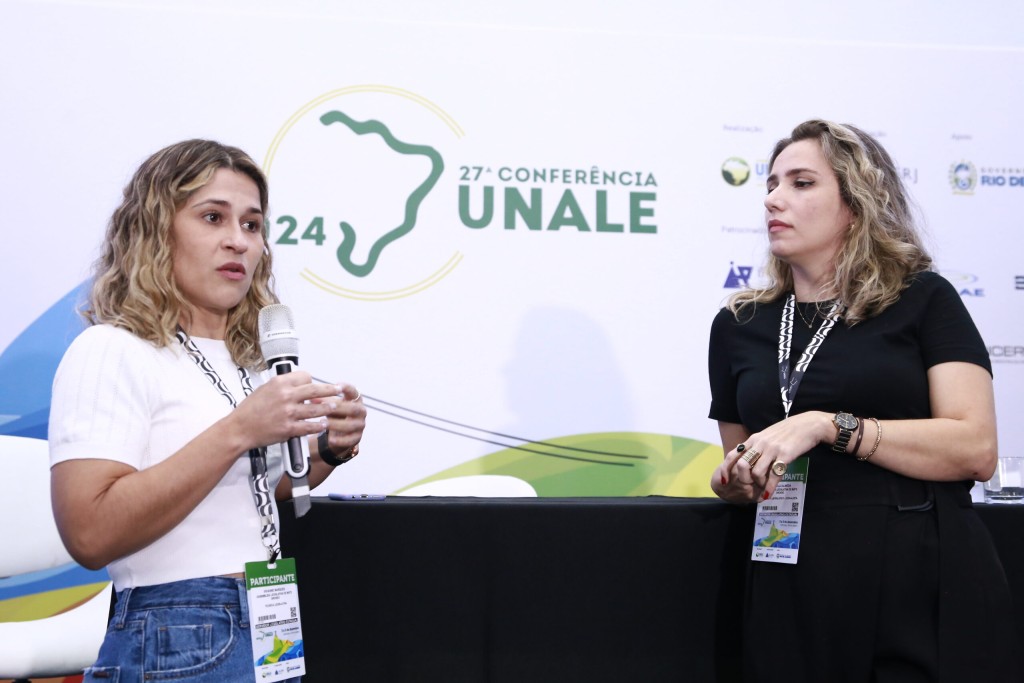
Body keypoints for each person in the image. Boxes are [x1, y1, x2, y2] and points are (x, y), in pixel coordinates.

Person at [707, 120, 1018, 682]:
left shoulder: (923, 299)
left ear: (856, 202)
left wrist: (829, 425)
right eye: (771, 184)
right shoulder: (739, 325)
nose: (774, 198)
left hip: (915, 566)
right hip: (786, 573)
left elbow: (975, 448)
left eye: (801, 183)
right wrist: (737, 481)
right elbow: (744, 463)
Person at [48, 139, 367, 682]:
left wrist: (327, 451)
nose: (238, 240)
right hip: (177, 632)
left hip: (268, 624)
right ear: (156, 230)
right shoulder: (111, 350)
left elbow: (247, 492)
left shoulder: (247, 361)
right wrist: (239, 430)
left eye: (252, 224)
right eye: (213, 217)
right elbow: (90, 533)